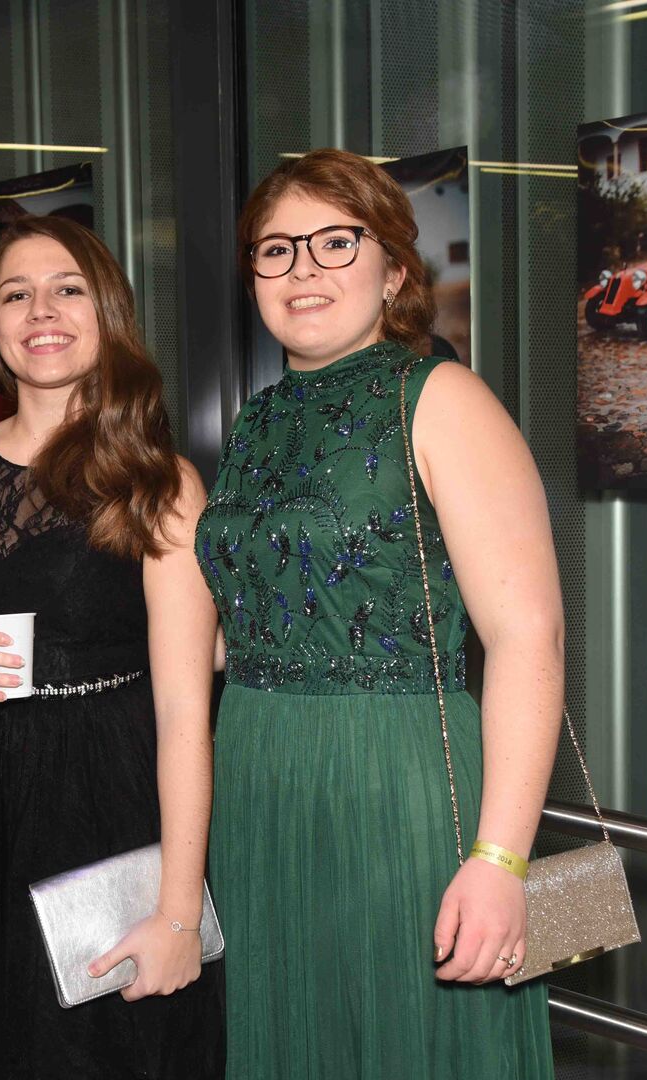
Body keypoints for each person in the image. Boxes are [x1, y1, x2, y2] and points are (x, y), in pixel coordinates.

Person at [198, 148, 561, 1077]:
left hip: (397, 785)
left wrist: (501, 859)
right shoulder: (254, 422)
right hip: (258, 782)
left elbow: (528, 636)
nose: (303, 268)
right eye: (276, 249)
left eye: (335, 241)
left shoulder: (442, 398)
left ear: (394, 269)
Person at [0, 215, 225, 1078]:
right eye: (15, 294)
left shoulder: (158, 481)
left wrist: (179, 913)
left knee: (96, 1053)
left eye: (67, 289)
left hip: (104, 799)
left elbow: (186, 711)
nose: (41, 310)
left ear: (107, 311)